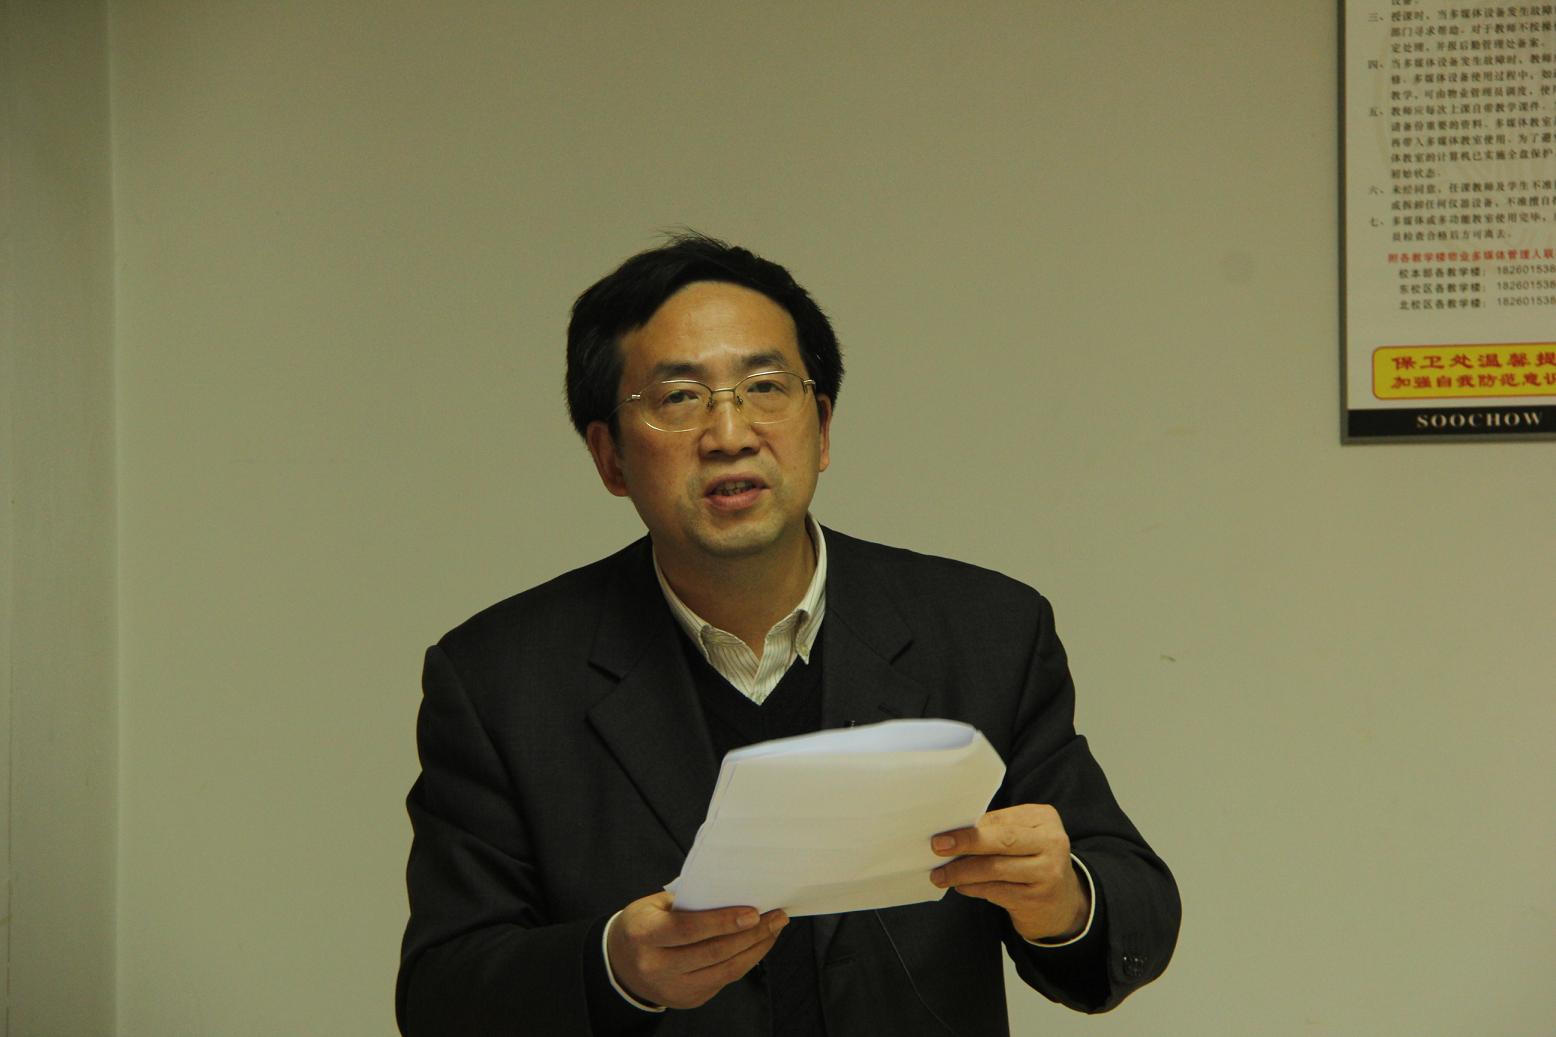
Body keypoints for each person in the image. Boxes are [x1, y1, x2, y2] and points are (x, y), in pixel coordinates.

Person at [397, 234, 1179, 1036]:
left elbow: (1139, 913)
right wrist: (615, 968)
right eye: (679, 398)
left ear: (823, 427)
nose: (729, 433)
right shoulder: (499, 681)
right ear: (611, 458)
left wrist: (1065, 899)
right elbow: (441, 996)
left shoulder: (985, 632)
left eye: (766, 387)